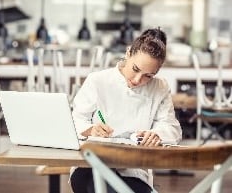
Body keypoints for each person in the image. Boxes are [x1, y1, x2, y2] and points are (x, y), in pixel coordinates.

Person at [70, 28, 182, 193]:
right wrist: (91, 129)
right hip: (91, 167)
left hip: (134, 171)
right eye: (135, 69)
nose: (138, 80)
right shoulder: (98, 81)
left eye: (148, 76)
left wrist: (157, 134)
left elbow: (173, 129)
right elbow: (74, 121)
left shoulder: (160, 87)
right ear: (128, 53)